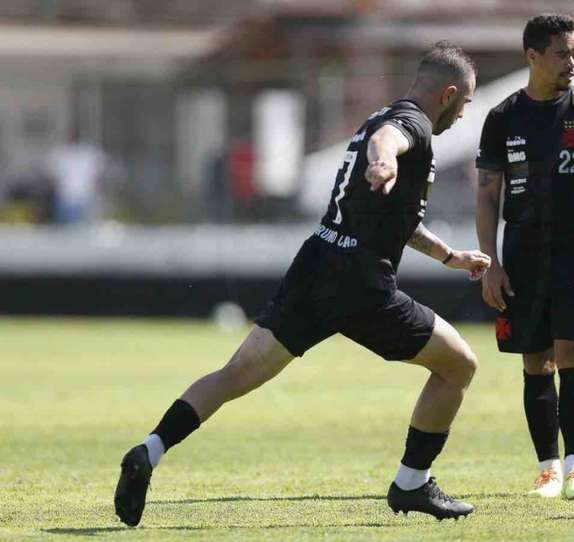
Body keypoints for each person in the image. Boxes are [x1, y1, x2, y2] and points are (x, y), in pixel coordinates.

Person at [114, 41, 490, 526]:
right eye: (466, 103)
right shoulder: (412, 124)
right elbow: (389, 140)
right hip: (360, 284)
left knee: (234, 376)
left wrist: (449, 256)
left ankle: (150, 449)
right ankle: (412, 483)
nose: (463, 115)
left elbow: (396, 217)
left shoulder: (383, 116)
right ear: (450, 93)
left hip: (317, 263)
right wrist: (384, 161)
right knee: (459, 365)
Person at [475, 14, 574, 500]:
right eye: (563, 53)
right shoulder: (501, 118)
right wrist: (490, 263)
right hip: (520, 256)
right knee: (534, 362)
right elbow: (486, 196)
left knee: (573, 354)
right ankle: (548, 468)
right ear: (533, 57)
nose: (572, 62)